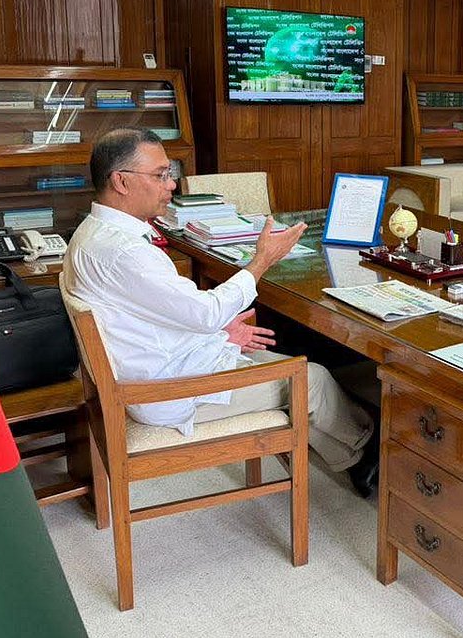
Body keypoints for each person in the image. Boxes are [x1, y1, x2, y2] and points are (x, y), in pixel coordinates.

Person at [63, 128, 379, 497]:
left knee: (285, 363)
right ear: (121, 181)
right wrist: (261, 261)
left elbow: (150, 313)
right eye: (161, 175)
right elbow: (207, 313)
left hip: (156, 369)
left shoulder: (90, 233)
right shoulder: (125, 251)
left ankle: (350, 449)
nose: (172, 185)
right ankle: (369, 449)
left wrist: (216, 334)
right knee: (313, 379)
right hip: (168, 392)